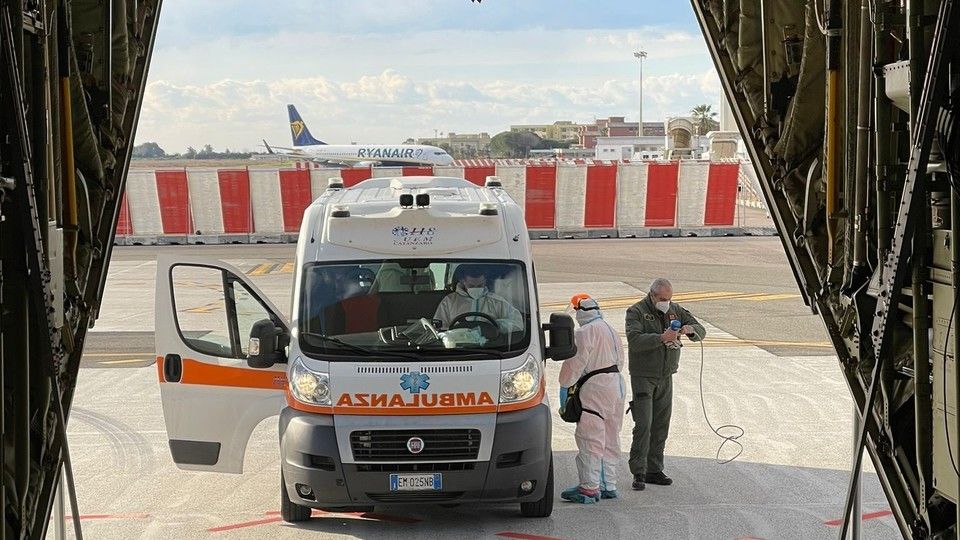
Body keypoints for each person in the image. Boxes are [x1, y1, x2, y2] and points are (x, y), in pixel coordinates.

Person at [625, 278, 704, 491]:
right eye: (662, 299)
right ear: (652, 295)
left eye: (669, 299)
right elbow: (634, 340)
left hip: (665, 375)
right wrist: (661, 337)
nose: (666, 303)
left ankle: (654, 469)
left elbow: (700, 330)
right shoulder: (636, 312)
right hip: (644, 376)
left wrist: (689, 330)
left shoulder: (675, 310)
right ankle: (638, 471)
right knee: (644, 424)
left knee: (661, 424)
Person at [558, 294, 625, 504]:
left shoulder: (585, 332)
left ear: (579, 312)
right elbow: (620, 361)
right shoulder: (610, 330)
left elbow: (574, 365)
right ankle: (608, 484)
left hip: (596, 389)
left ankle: (589, 488)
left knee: (590, 437)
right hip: (617, 386)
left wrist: (565, 387)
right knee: (611, 436)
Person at [433, 264, 523, 333]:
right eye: (471, 286)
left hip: (492, 349)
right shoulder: (449, 301)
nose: (476, 288)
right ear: (462, 281)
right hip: (457, 350)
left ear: (485, 281)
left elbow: (518, 323)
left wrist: (495, 325)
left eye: (480, 285)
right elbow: (439, 328)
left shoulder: (497, 302)